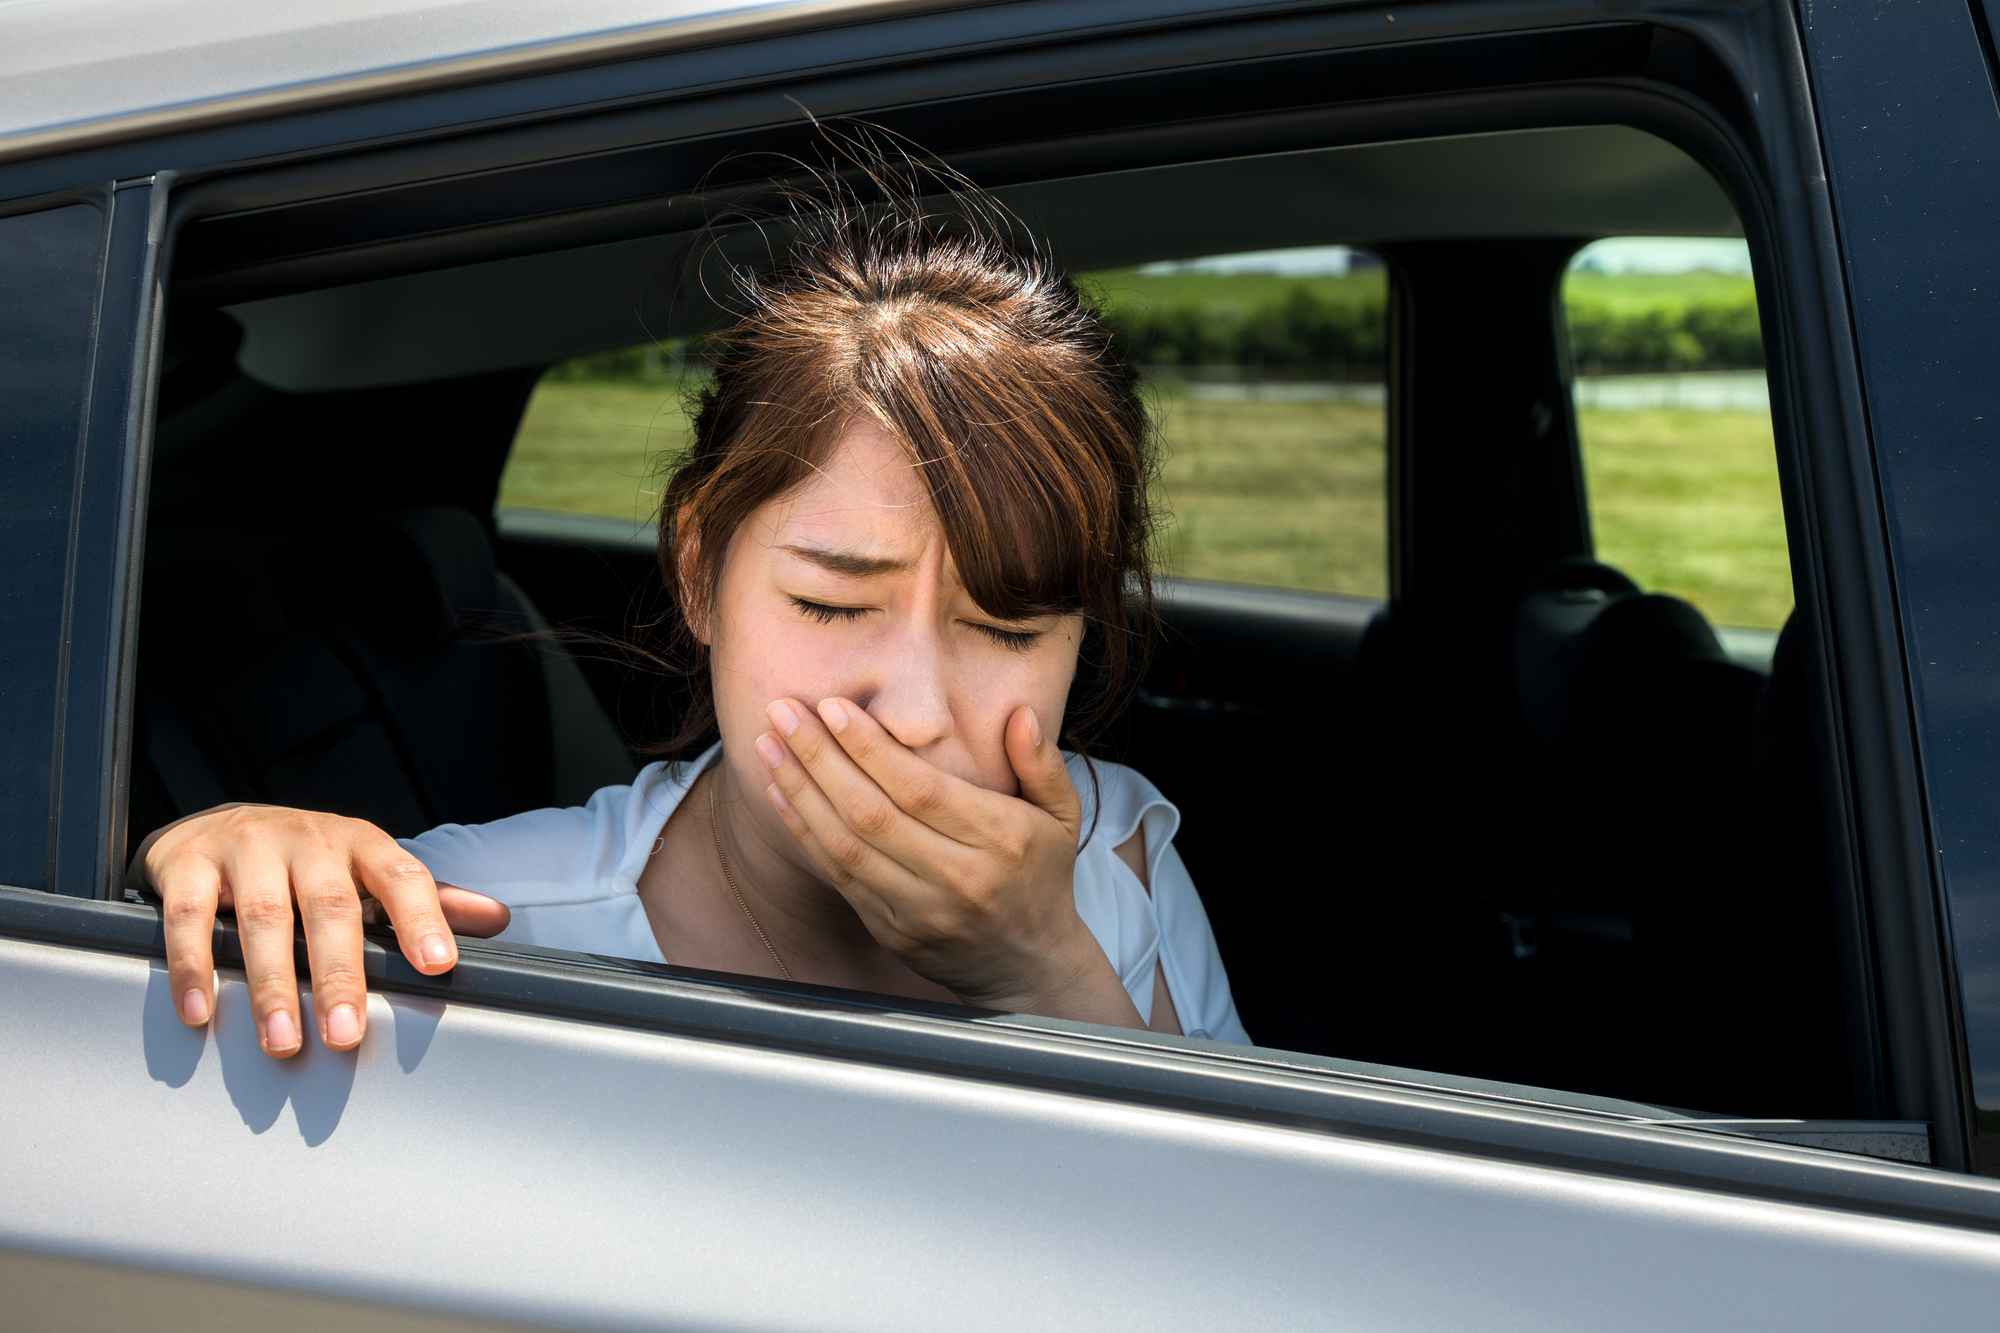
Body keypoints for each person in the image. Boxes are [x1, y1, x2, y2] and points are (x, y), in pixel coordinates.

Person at [132, 171, 1247, 1059]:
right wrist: (216, 852)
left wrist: (1045, 969)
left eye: (1009, 629)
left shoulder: (1117, 855)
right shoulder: (480, 923)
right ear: (701, 570)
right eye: (829, 601)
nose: (913, 711)